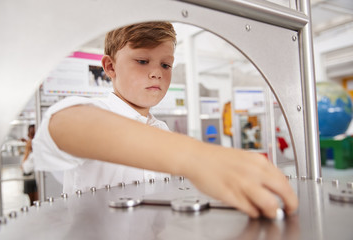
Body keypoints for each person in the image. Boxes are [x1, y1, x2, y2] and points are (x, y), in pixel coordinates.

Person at [33, 21, 298, 219]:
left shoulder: (161, 130)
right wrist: (196, 157)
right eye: (142, 61)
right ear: (110, 67)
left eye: (165, 65)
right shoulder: (95, 111)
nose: (156, 74)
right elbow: (64, 122)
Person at [22, 124, 38, 205]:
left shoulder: (37, 145)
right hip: (29, 176)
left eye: (34, 133)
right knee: (31, 202)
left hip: (36, 176)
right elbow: (24, 165)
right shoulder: (29, 145)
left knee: (37, 200)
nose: (32, 135)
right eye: (31, 133)